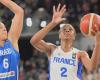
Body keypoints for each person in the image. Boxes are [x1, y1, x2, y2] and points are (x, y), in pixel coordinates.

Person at [30, 4, 100, 80]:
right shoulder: (52, 49)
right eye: (64, 29)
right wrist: (52, 23)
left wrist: (98, 43)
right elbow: (34, 41)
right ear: (59, 35)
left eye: (70, 29)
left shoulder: (80, 54)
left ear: (74, 36)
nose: (67, 30)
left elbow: (92, 68)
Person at [0, 0, 24, 80]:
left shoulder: (11, 41)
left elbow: (19, 12)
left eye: (4, 27)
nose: (4, 29)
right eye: (0, 27)